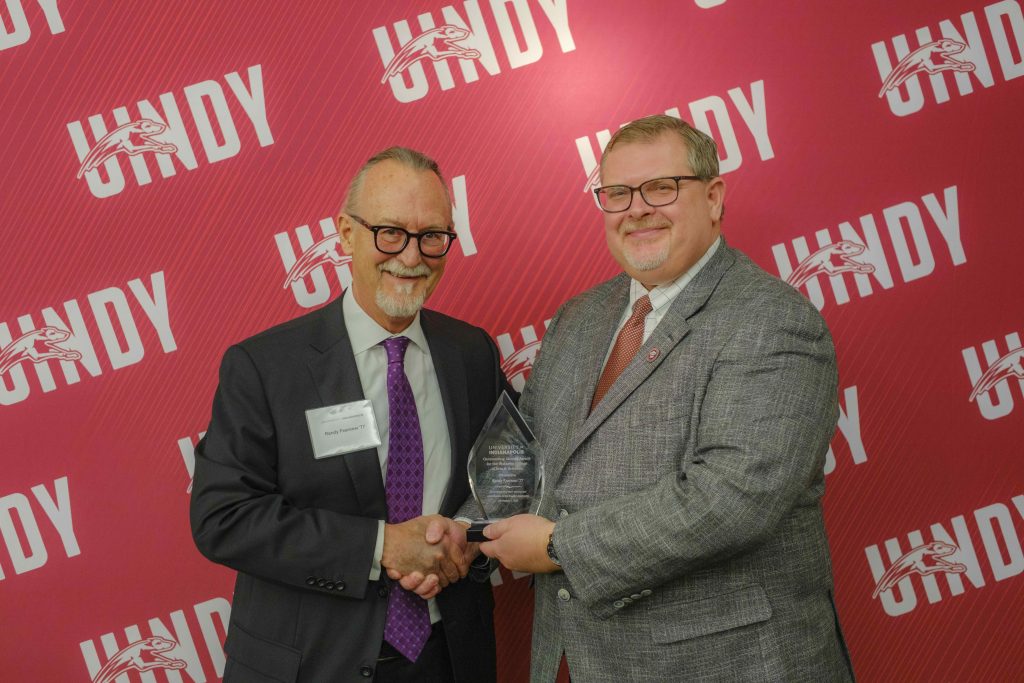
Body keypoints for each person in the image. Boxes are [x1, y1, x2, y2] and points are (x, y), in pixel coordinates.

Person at [475, 116, 855, 681]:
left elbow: (734, 497)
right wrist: (460, 533)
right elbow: (523, 454)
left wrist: (560, 545)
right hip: (584, 659)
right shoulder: (581, 317)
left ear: (713, 197)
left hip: (732, 665)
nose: (637, 209)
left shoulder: (772, 321)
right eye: (618, 193)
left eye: (661, 188)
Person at [190, 146, 508, 683]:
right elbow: (223, 518)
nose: (411, 257)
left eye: (432, 236)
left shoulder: (471, 352)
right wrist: (382, 546)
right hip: (311, 665)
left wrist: (462, 536)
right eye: (390, 233)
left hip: (448, 657)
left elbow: (508, 471)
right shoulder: (265, 367)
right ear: (346, 233)